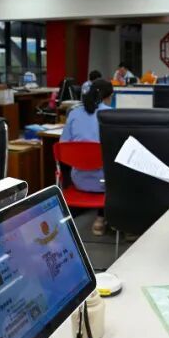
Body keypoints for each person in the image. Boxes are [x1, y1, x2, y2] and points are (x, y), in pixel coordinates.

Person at [60, 78, 114, 236]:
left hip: (78, 181)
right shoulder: (111, 115)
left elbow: (63, 146)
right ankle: (102, 219)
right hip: (105, 184)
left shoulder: (74, 113)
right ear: (109, 97)